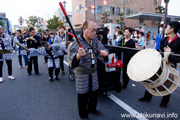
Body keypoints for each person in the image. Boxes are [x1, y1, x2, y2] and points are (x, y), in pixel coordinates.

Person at [69, 20, 108, 120]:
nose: (95, 33)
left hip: (93, 71)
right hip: (82, 73)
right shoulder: (76, 42)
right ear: (84, 29)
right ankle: (83, 113)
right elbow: (71, 57)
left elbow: (104, 50)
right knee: (83, 94)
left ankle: (92, 109)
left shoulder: (95, 41)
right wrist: (78, 56)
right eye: (93, 30)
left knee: (94, 92)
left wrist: (105, 53)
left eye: (96, 31)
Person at [138, 21, 180, 109]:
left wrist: (170, 54)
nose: (164, 29)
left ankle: (164, 102)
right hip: (160, 64)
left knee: (168, 82)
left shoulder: (179, 42)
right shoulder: (164, 39)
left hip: (171, 66)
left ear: (172, 29)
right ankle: (147, 97)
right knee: (152, 79)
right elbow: (160, 53)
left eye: (167, 27)